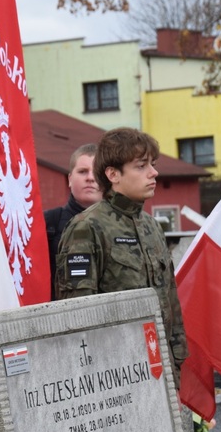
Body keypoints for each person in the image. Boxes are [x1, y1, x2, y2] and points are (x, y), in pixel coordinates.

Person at [54, 127, 189, 379]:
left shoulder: (152, 226)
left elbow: (170, 298)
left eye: (153, 164)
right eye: (141, 166)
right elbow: (77, 314)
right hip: (116, 373)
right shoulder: (87, 227)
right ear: (113, 174)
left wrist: (176, 359)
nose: (153, 173)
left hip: (161, 369)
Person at [44, 143, 102, 298]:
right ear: (70, 179)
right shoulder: (49, 223)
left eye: (97, 172)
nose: (90, 178)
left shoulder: (121, 225)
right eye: (83, 172)